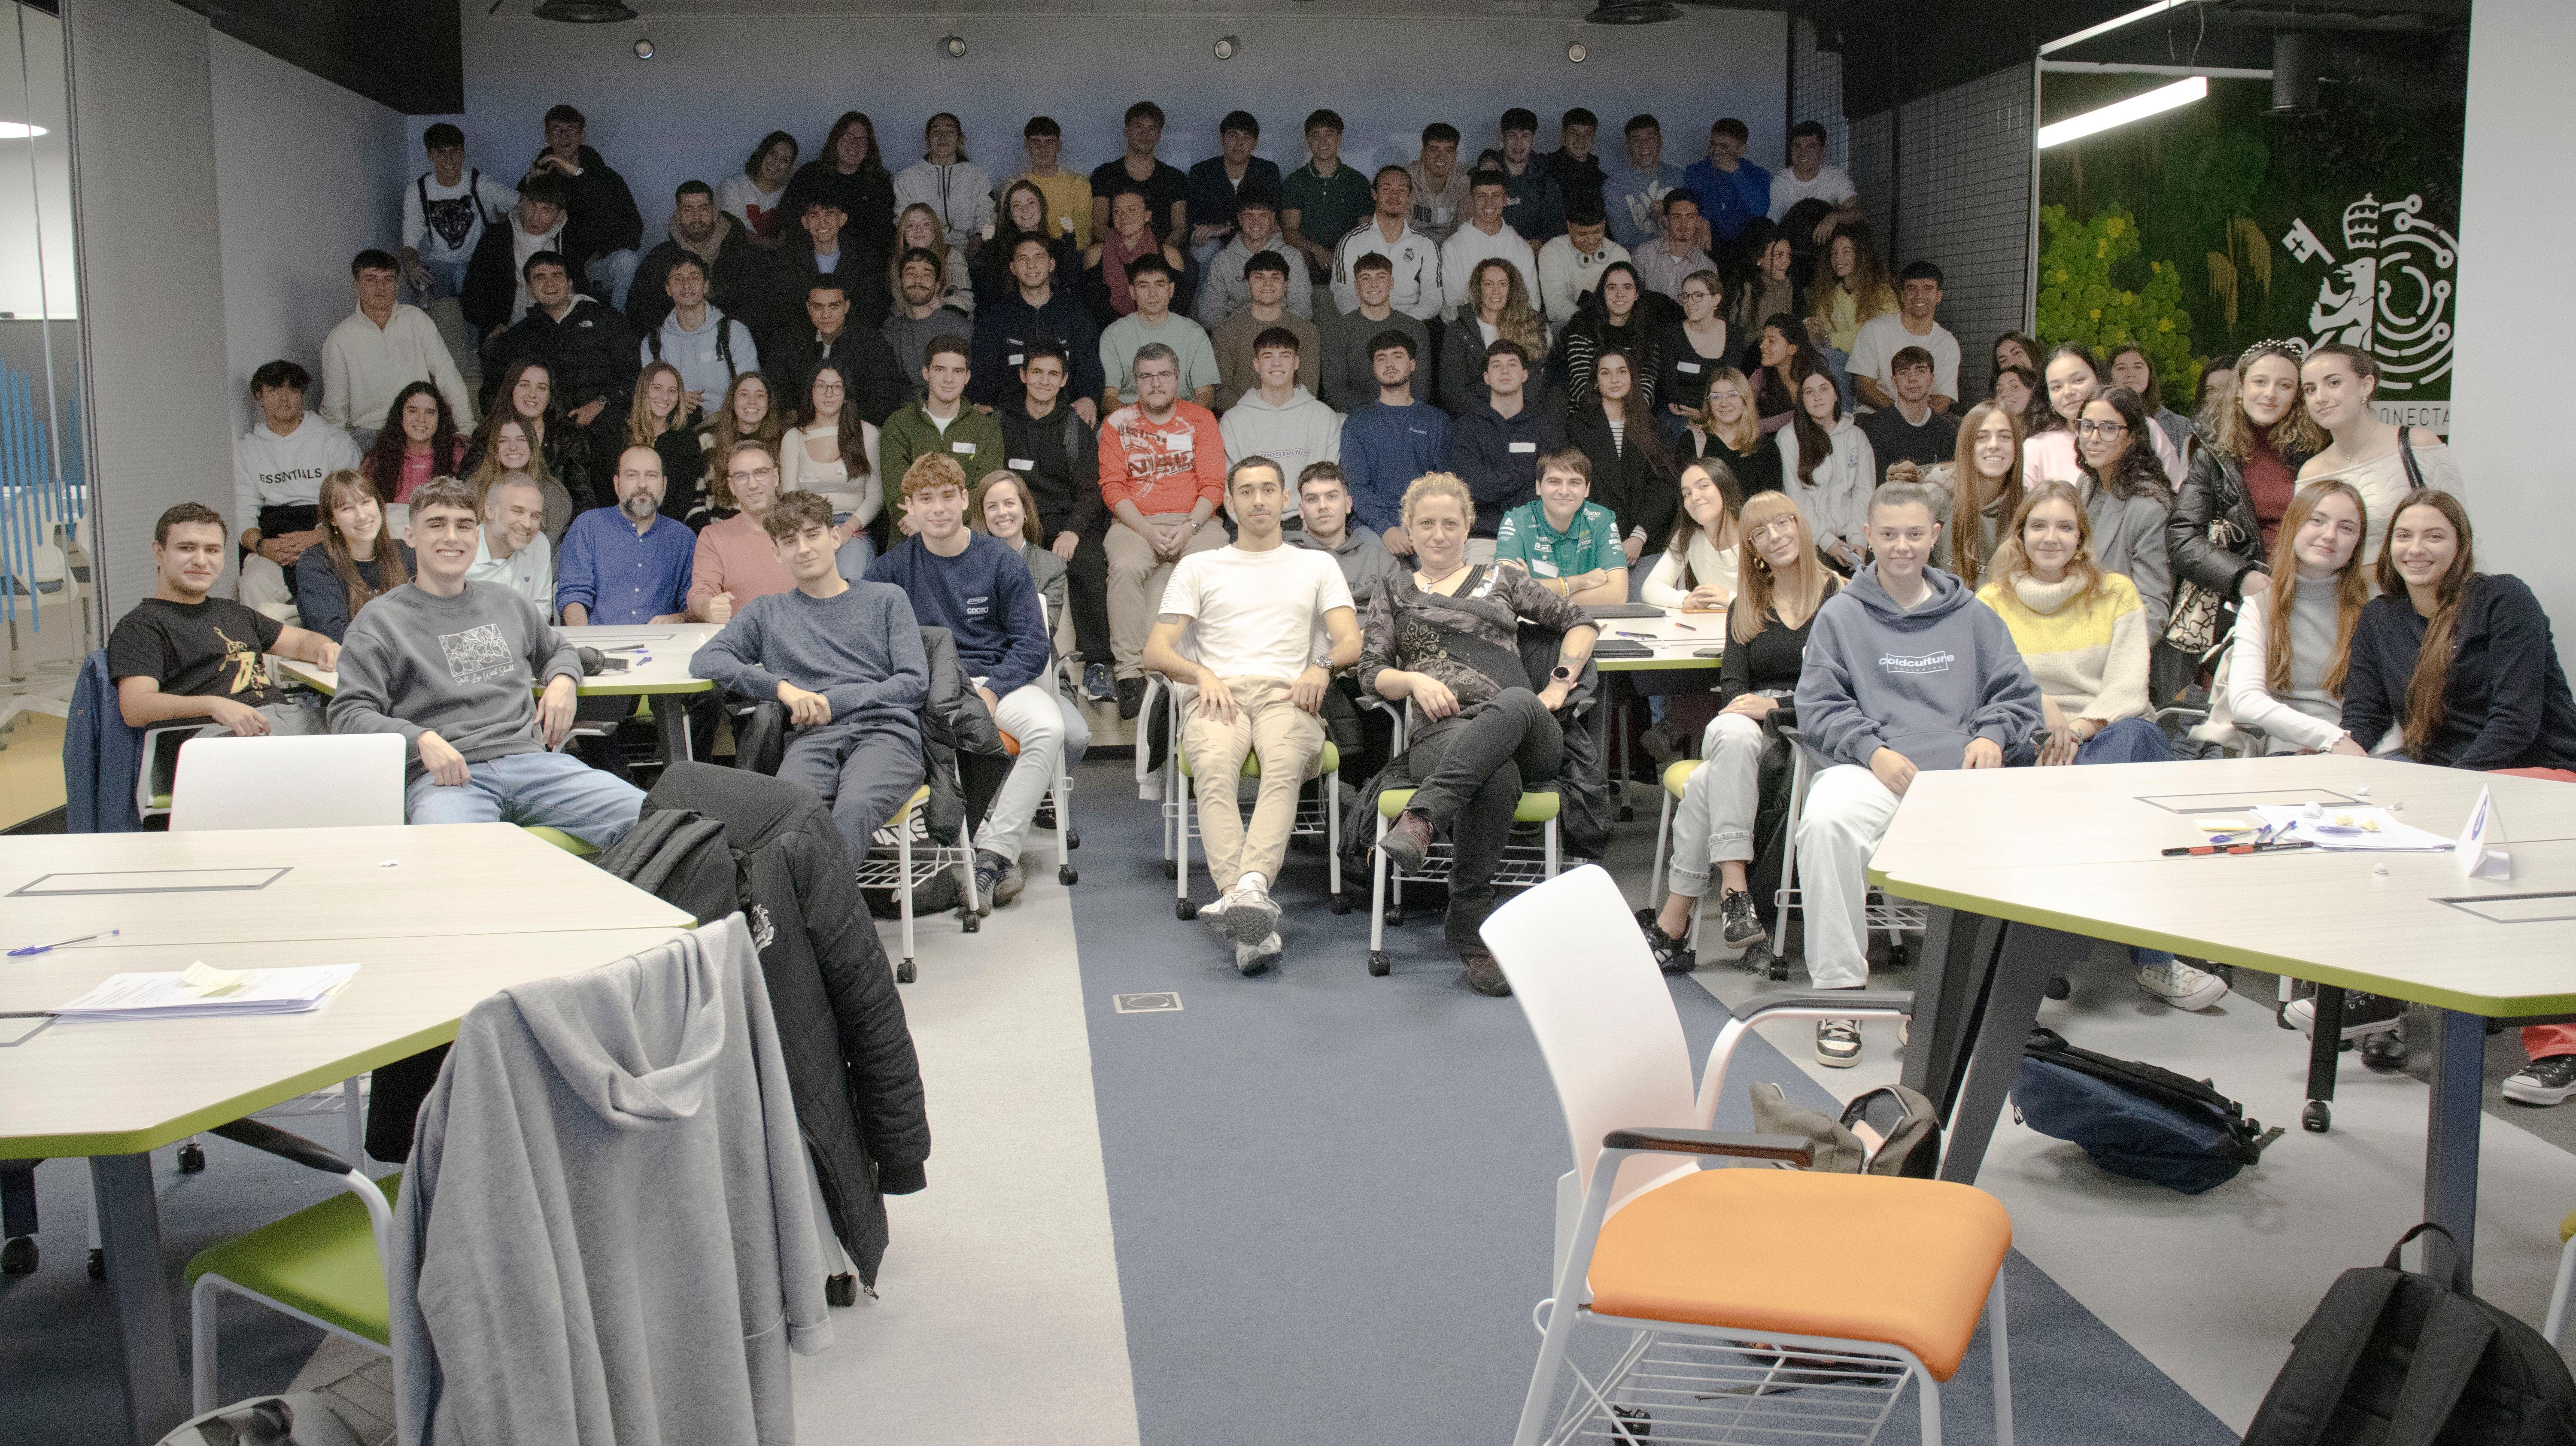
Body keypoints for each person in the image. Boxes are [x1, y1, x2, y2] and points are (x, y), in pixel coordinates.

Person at [1792, 481, 2039, 1061]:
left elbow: (2018, 695)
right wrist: (1870, 750)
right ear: (1868, 539)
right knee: (1827, 822)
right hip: (1875, 770)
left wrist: (1991, 735)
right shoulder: (1841, 617)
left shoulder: (1974, 615)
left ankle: (1942, 1004)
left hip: (1960, 778)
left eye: (1913, 534)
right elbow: (1820, 705)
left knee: (2008, 838)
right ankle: (1840, 998)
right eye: (1888, 535)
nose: (1901, 546)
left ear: (1934, 535)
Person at [1974, 482, 2220, 1010]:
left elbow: (2130, 687)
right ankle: (2149, 958)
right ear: (2020, 534)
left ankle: (2069, 946)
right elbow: (1991, 681)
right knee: (2119, 800)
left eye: (2065, 526)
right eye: (2038, 525)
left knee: (2142, 736)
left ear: (2082, 537)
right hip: (2028, 737)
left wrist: (2081, 730)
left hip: (2104, 734)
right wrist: (2046, 713)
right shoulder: (1991, 600)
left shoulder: (2116, 593)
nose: (2051, 537)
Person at [1365, 471, 1598, 992]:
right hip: (1441, 734)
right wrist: (1412, 678)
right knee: (1495, 779)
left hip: (1527, 729)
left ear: (1469, 525)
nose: (1439, 534)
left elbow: (1579, 620)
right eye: (1427, 524)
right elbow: (1370, 669)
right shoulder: (1393, 590)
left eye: (1451, 523)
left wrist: (1560, 682)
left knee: (1514, 699)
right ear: (1410, 528)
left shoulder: (1503, 577)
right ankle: (1470, 933)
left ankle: (1422, 816)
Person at [329, 475, 645, 845]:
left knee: (661, 824)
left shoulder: (508, 603)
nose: (452, 537)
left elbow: (559, 650)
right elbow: (348, 713)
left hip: (535, 766)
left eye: (464, 526)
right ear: (410, 536)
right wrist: (421, 740)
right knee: (448, 861)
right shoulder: (379, 621)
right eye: (437, 525)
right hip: (446, 779)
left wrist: (563, 681)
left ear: (476, 536)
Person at [1141, 456, 1361, 975]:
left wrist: (1322, 665)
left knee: (1284, 764)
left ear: (1285, 499)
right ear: (1229, 501)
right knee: (1213, 768)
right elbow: (1156, 651)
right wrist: (1201, 675)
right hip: (1220, 695)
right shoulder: (1200, 566)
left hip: (1290, 695)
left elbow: (1351, 640)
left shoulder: (1316, 565)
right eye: (1247, 491)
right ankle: (1249, 901)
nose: (1259, 500)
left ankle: (1248, 892)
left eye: (1268, 490)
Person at [1643, 491, 1836, 968]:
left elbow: (1846, 690)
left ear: (1801, 524)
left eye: (1783, 523)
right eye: (1759, 533)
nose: (1775, 537)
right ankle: (1735, 887)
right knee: (1731, 733)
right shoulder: (1747, 603)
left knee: (1708, 781)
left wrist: (1777, 704)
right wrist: (1753, 709)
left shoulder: (1842, 597)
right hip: (1748, 724)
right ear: (1751, 547)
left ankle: (1677, 917)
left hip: (1811, 726)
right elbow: (1733, 687)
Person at [690, 488, 928, 860]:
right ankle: (815, 914)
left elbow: (913, 683)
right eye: (789, 541)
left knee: (855, 808)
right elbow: (706, 660)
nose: (803, 548)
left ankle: (817, 917)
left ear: (835, 538)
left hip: (887, 732)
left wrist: (834, 702)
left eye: (812, 535)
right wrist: (782, 689)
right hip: (812, 736)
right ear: (777, 554)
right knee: (793, 817)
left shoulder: (886, 599)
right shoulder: (768, 612)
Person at [867, 454, 1056, 906]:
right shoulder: (890, 571)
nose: (938, 508)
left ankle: (992, 853)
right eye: (925, 499)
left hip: (994, 682)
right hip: (929, 691)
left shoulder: (1000, 560)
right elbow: (865, 639)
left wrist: (992, 691)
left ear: (963, 499)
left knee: (1049, 729)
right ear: (908, 507)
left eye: (947, 496)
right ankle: (955, 852)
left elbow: (1033, 643)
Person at [111, 502, 339, 738]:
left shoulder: (233, 612)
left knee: (365, 728)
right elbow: (136, 708)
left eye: (212, 550)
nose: (200, 561)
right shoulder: (141, 626)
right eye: (187, 548)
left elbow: (301, 642)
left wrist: (325, 647)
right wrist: (213, 705)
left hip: (280, 722)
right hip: (217, 737)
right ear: (159, 553)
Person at [2170, 340, 2322, 674]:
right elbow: (2182, 537)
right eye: (2260, 382)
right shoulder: (2213, 448)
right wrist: (2241, 578)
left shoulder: (2319, 446)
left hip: (2311, 596)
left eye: (2285, 385)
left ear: (2297, 395)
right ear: (2240, 386)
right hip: (2241, 606)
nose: (2270, 393)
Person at [1101, 344, 1229, 717]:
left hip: (1196, 520)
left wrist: (1189, 528)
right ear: (1135, 383)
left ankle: (1218, 665)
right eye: (1146, 377)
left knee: (1215, 568)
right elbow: (1112, 487)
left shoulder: (1201, 419)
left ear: (1179, 380)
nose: (1155, 384)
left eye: (1164, 375)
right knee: (1125, 569)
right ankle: (1130, 675)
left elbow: (1213, 486)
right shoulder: (1117, 424)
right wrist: (1146, 530)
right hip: (1134, 523)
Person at [994, 342, 1112, 698]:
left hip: (1064, 521)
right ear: (1023, 375)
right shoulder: (1000, 422)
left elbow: (1091, 492)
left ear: (1064, 381)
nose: (1044, 381)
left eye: (1053, 375)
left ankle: (1098, 666)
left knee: (1090, 564)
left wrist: (1074, 531)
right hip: (1014, 522)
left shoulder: (1076, 429)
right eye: (1036, 373)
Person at [2221, 478, 2369, 756]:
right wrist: (2330, 739)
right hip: (2287, 753)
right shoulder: (2260, 606)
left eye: (2346, 528)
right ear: (2294, 526)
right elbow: (2246, 700)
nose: (2330, 535)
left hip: (2361, 752)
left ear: (2357, 545)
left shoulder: (2372, 607)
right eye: (2318, 521)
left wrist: (2351, 748)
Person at [2298, 343, 2463, 566]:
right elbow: (2307, 555)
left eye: (2334, 383)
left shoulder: (2415, 445)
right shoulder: (2312, 471)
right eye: (2310, 389)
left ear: (2366, 386)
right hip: (2344, 598)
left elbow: (2462, 536)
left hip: (2414, 596)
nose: (2320, 397)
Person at [971, 468, 1095, 761]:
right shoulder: (968, 565)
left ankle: (1044, 794)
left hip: (1039, 678)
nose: (1002, 513)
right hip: (980, 677)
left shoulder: (1051, 566)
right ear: (983, 516)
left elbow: (1042, 631)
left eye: (1010, 503)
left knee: (1076, 737)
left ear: (1025, 511)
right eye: (992, 506)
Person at [481, 250, 639, 472]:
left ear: (570, 283)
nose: (549, 284)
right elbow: (494, 390)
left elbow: (634, 374)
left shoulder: (607, 319)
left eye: (557, 276)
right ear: (528, 288)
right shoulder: (519, 336)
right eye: (540, 278)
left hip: (603, 420)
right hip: (546, 428)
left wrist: (601, 402)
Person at [234, 360, 361, 616]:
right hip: (272, 537)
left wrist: (320, 535)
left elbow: (354, 501)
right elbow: (242, 508)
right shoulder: (246, 449)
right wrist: (262, 546)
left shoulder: (333, 440)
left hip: (326, 529)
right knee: (252, 582)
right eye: (274, 390)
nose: (284, 398)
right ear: (259, 397)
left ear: (302, 394)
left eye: (292, 390)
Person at [322, 249, 474, 441]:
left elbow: (446, 374)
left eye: (388, 279)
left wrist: (465, 425)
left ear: (397, 285)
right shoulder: (340, 338)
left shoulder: (416, 320)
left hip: (419, 425)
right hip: (370, 432)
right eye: (371, 279)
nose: (381, 287)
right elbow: (335, 410)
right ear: (357, 285)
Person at [2071, 386, 2177, 643]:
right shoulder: (2084, 484)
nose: (2094, 438)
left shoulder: (2149, 506)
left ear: (2132, 438)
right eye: (2087, 426)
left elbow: (2152, 607)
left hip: (2112, 647)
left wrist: (2119, 664)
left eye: (2109, 428)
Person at [877, 337, 1006, 547]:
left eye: (957, 371)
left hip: (966, 543)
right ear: (926, 373)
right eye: (940, 369)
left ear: (967, 377)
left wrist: (931, 521)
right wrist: (935, 521)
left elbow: (985, 492)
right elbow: (897, 494)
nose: (949, 379)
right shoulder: (899, 424)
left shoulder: (986, 429)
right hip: (910, 541)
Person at [1445, 340, 1565, 558]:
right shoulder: (1466, 428)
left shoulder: (1546, 427)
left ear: (1525, 375)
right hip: (1484, 539)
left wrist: (1499, 490)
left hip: (1539, 537)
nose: (1505, 371)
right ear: (1486, 377)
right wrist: (1530, 474)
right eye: (1496, 365)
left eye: (1512, 364)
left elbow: (1555, 486)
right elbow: (1472, 488)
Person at [970, 231, 1104, 421]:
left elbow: (1090, 366)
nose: (1031, 265)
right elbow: (981, 373)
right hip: (1008, 419)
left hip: (1064, 417)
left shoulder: (1076, 313)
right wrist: (978, 403)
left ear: (1052, 264)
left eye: (1039, 258)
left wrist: (1089, 398)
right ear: (1013, 268)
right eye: (1023, 259)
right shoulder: (995, 317)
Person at [555, 445, 693, 626]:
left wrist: (678, 618)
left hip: (662, 645)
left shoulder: (684, 538)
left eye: (651, 475)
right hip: (599, 646)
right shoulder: (587, 526)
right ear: (617, 484)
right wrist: (585, 642)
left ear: (664, 485)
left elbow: (694, 603)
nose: (643, 485)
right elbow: (574, 595)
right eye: (632, 475)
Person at [1339, 330, 1448, 558]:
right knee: (1375, 569)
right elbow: (1356, 487)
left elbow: (1444, 482)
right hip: (1372, 526)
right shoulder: (1358, 423)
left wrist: (1419, 525)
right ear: (1374, 369)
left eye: (1397, 356)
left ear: (1413, 365)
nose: (1389, 364)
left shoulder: (1436, 420)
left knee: (1444, 577)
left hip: (1425, 522)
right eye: (1381, 359)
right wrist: (1385, 528)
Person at [525, 104, 644, 312]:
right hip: (554, 271)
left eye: (571, 130)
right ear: (547, 137)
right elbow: (520, 224)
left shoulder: (605, 176)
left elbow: (632, 225)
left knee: (627, 261)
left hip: (594, 268)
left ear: (582, 136)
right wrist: (533, 185)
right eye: (557, 129)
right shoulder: (539, 175)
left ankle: (620, 328)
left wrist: (604, 251)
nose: (564, 136)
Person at [1565, 349, 1677, 569]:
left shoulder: (1650, 426)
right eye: (1605, 373)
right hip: (1591, 544)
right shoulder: (1577, 427)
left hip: (1643, 545)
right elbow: (1573, 487)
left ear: (1632, 379)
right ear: (1596, 382)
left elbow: (1664, 484)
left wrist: (1638, 536)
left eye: (1622, 372)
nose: (1614, 380)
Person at [463, 358, 592, 538]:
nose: (533, 394)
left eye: (541, 388)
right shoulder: (488, 435)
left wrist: (560, 537)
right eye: (525, 385)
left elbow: (583, 497)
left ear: (550, 398)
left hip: (554, 531)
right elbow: (470, 489)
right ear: (511, 391)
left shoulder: (566, 437)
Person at [778, 362, 884, 578]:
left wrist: (846, 531)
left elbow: (876, 498)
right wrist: (814, 533)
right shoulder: (793, 437)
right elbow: (790, 498)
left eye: (837, 387)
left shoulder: (867, 433)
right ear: (811, 392)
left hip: (853, 527)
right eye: (821, 386)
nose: (829, 394)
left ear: (846, 393)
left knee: (848, 574)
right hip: (806, 528)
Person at [2025, 343, 2181, 485]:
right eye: (2056, 387)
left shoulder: (2144, 427)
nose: (2068, 392)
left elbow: (2175, 490)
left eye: (2078, 380)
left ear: (2099, 379)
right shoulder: (2036, 447)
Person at [401, 123, 517, 314]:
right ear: (431, 155)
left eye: (454, 151)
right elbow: (411, 236)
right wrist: (412, 265)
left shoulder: (478, 183)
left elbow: (517, 202)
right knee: (436, 312)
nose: (448, 159)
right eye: (440, 152)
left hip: (479, 265)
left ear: (463, 153)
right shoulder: (418, 190)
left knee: (477, 315)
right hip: (440, 266)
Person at [628, 180, 764, 340]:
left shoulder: (743, 254)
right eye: (688, 210)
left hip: (731, 344)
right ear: (678, 216)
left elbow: (758, 308)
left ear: (714, 212)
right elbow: (639, 310)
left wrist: (725, 337)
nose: (697, 218)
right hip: (678, 344)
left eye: (704, 209)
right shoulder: (660, 258)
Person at [765, 273, 905, 428]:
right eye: (818, 306)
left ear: (847, 307)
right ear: (809, 308)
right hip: (804, 429)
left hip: (856, 430)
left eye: (834, 306)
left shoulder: (872, 344)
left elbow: (885, 398)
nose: (826, 315)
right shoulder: (793, 342)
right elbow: (778, 390)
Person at [1493, 448, 1629, 605]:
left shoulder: (1602, 519)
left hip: (1591, 620)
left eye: (1574, 483)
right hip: (1532, 625)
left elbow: (1618, 595)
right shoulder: (1516, 521)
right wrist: (1580, 582)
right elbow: (1509, 590)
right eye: (1554, 482)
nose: (1564, 491)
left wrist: (1536, 593)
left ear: (1587, 489)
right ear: (1539, 487)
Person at [295, 469, 414, 643]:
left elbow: (429, 614)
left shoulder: (406, 551)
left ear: (379, 505)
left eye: (366, 502)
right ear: (332, 520)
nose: (362, 516)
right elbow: (332, 633)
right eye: (347, 509)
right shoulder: (316, 563)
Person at [1778, 362, 1874, 573]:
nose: (1817, 397)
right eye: (1809, 392)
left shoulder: (1856, 437)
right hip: (1812, 542)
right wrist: (1826, 541)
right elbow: (1794, 495)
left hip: (1853, 539)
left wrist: (1859, 540)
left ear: (1836, 395)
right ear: (1802, 401)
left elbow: (1864, 492)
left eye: (1824, 389)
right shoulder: (1789, 438)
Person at [689, 441, 798, 624]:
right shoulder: (713, 537)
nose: (753, 485)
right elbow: (701, 593)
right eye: (741, 477)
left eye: (761, 473)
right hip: (743, 644)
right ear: (731, 486)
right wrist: (708, 608)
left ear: (776, 477)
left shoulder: (805, 530)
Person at [640, 253, 760, 417]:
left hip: (728, 425)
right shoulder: (654, 343)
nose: (686, 285)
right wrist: (676, 401)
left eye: (694, 277)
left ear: (706, 286)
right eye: (677, 279)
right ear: (668, 289)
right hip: (675, 426)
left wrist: (719, 421)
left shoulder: (735, 334)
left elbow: (753, 394)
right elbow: (649, 400)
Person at [459, 172, 572, 346]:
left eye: (546, 210)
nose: (535, 217)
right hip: (507, 328)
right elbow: (472, 295)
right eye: (532, 206)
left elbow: (579, 290)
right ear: (523, 201)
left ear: (559, 215)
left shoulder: (566, 242)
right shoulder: (496, 238)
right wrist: (493, 325)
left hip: (555, 328)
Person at [1921, 399, 2022, 589]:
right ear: (1967, 445)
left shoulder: (2027, 507)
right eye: (1982, 437)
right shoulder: (1935, 497)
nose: (1994, 445)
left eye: (2005, 437)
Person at [778, 111, 894, 274]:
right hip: (809, 264)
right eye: (848, 137)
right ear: (836, 140)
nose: (855, 145)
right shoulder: (809, 174)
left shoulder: (879, 183)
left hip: (861, 269)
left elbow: (884, 233)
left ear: (869, 149)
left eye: (862, 141)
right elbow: (788, 218)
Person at [1097, 256, 1218, 411]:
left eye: (1160, 285)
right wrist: (1145, 424)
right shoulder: (1113, 335)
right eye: (1144, 286)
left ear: (1171, 290)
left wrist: (1171, 422)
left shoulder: (1194, 333)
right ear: (1132, 292)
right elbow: (1108, 398)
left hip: (1182, 420)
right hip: (1130, 421)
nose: (1152, 294)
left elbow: (1206, 396)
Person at [1436, 256, 1550, 418]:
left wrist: (1512, 412)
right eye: (1488, 284)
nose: (1496, 291)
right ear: (1479, 288)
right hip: (1475, 420)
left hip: (1522, 417)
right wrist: (1492, 414)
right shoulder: (1458, 331)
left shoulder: (1531, 325)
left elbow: (1536, 383)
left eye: (1503, 284)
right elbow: (1453, 391)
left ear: (1512, 289)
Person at [1219, 327, 1340, 477]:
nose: (1277, 363)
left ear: (1296, 363)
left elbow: (1330, 483)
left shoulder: (1324, 417)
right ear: (1257, 365)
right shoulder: (1233, 421)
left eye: (1285, 356)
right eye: (1268, 356)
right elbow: (1233, 487)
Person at [1317, 254, 1431, 412]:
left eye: (1381, 277)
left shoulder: (1414, 328)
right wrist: (1369, 420)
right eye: (1365, 279)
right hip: (1356, 417)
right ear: (1357, 287)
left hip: (1406, 415)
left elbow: (1421, 387)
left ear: (1391, 283)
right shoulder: (1338, 330)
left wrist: (1399, 416)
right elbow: (1335, 389)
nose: (1374, 285)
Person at [1331, 167, 1445, 324]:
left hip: (1411, 324)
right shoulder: (1352, 241)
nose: (1395, 196)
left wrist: (1403, 323)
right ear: (1374, 194)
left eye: (1402, 189)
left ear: (1410, 196)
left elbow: (1433, 296)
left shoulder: (1425, 244)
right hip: (1365, 324)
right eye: (1387, 188)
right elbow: (1343, 293)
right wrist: (1371, 321)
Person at [1211, 253, 1321, 410]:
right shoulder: (1225, 331)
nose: (1267, 284)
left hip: (1293, 417)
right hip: (1242, 418)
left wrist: (1283, 416)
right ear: (1248, 285)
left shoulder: (1307, 331)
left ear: (1286, 285)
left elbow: (1308, 389)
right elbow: (1220, 389)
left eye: (1275, 277)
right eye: (1259, 277)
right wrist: (1251, 415)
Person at [1287, 461, 1402, 606]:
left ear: (1348, 505)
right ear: (1302, 510)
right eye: (1312, 499)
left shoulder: (1380, 561)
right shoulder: (1284, 555)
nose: (1323, 506)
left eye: (1332, 497)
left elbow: (1399, 616)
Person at [1850, 261, 1958, 413]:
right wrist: (1902, 415)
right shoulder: (1875, 329)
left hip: (1923, 419)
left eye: (1928, 289)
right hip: (1877, 414)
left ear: (1939, 296)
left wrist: (1917, 420)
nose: (1919, 295)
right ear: (1902, 295)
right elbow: (1864, 388)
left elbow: (1942, 400)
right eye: (1912, 289)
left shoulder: (1948, 343)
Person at [1196, 188, 1313, 326]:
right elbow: (1210, 312)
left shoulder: (1292, 257)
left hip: (1280, 334)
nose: (1255, 222)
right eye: (1249, 215)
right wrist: (1241, 331)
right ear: (1240, 219)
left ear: (1272, 219)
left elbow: (1302, 307)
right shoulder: (1223, 260)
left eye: (1263, 215)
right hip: (1236, 334)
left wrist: (1272, 328)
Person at [972, 179, 1087, 319]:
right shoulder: (998, 249)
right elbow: (986, 295)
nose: (1025, 210)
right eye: (1017, 206)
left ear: (1042, 207)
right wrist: (988, 245)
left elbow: (1072, 282)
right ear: (1010, 214)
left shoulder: (1058, 247)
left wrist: (1069, 238)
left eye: (1031, 203)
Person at [1282, 109, 1373, 285]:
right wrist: (1316, 250)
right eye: (1316, 135)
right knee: (1294, 256)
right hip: (1308, 255)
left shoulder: (1357, 181)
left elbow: (1366, 229)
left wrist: (1341, 254)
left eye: (1329, 135)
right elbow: (1290, 231)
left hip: (1349, 256)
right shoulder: (1295, 181)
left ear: (1339, 139)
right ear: (1308, 141)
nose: (1322, 141)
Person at [1082, 186, 1193, 331]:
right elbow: (1092, 309)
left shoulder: (1170, 256)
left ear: (1147, 215)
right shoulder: (1095, 255)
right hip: (1109, 333)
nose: (1123, 216)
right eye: (1117, 211)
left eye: (1131, 209)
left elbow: (1177, 309)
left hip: (1159, 332)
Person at [1439, 170, 1540, 323]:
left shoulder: (1521, 247)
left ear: (1505, 200)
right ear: (1472, 199)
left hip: (1513, 327)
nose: (1489, 203)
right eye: (1482, 196)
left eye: (1496, 196)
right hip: (1471, 330)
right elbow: (1454, 304)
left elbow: (1532, 302)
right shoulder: (1453, 247)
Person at [1558, 262, 1661, 413]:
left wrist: (1625, 416)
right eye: (1612, 288)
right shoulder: (1583, 326)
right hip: (1588, 414)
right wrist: (1610, 417)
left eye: (1627, 287)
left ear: (1637, 295)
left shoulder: (1648, 332)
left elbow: (1646, 387)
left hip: (1633, 415)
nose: (1620, 294)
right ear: (1603, 293)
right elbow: (1582, 385)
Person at [1640, 459, 1741, 610]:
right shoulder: (1687, 536)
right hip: (1710, 627)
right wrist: (1685, 599)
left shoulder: (1755, 531)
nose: (1695, 497)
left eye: (1704, 486)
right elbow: (1650, 588)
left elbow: (1778, 597)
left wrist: (1731, 599)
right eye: (1687, 494)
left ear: (1724, 486)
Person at [892, 112, 996, 255]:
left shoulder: (978, 177)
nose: (943, 137)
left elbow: (989, 220)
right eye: (936, 132)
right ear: (928, 140)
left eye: (950, 131)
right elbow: (902, 222)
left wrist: (975, 253)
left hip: (970, 253)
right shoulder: (907, 178)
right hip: (922, 252)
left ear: (959, 139)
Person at [1188, 110, 1285, 261]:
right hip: (1214, 239)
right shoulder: (1202, 172)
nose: (1239, 144)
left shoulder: (1267, 171)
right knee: (1204, 250)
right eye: (1233, 136)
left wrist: (1226, 228)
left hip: (1256, 235)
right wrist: (1219, 229)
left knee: (1275, 244)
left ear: (1255, 143)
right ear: (1222, 139)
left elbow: (1272, 218)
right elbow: (1197, 219)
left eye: (1246, 137)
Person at [883, 248, 975, 404]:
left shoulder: (959, 328)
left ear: (937, 285)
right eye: (910, 274)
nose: (918, 280)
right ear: (900, 282)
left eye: (927, 275)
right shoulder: (890, 331)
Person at [1088, 100, 1189, 244]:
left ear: (1159, 135)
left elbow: (1179, 229)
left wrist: (1157, 256)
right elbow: (1099, 226)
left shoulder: (1175, 178)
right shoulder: (1104, 174)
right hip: (1116, 252)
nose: (1145, 134)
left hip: (1161, 257)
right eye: (1138, 126)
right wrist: (1126, 251)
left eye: (1152, 128)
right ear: (1127, 131)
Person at [466, 414, 571, 550]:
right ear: (495, 448)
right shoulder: (474, 487)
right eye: (504, 441)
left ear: (533, 446)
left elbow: (549, 552)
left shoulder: (554, 494)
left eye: (521, 440)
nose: (513, 447)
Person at [693, 371, 785, 524]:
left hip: (768, 531)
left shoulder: (783, 443)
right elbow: (696, 499)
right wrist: (708, 535)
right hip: (719, 531)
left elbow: (787, 500)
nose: (752, 401)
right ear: (733, 403)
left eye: (760, 396)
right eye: (744, 395)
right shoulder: (708, 441)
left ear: (769, 405)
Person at [361, 381, 468, 505]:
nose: (421, 419)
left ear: (440, 419)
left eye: (430, 412)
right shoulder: (379, 459)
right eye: (413, 411)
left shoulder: (458, 455)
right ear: (400, 417)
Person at [1680, 368, 1782, 498]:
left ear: (1745, 399)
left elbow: (1771, 506)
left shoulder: (1766, 448)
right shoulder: (1691, 441)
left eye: (1733, 395)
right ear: (1709, 402)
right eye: (1716, 397)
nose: (1724, 403)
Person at [1858, 346, 1959, 475]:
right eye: (1904, 372)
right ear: (1894, 381)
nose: (1912, 379)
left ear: (1932, 379)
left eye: (1921, 371)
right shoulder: (1873, 428)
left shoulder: (1948, 432)